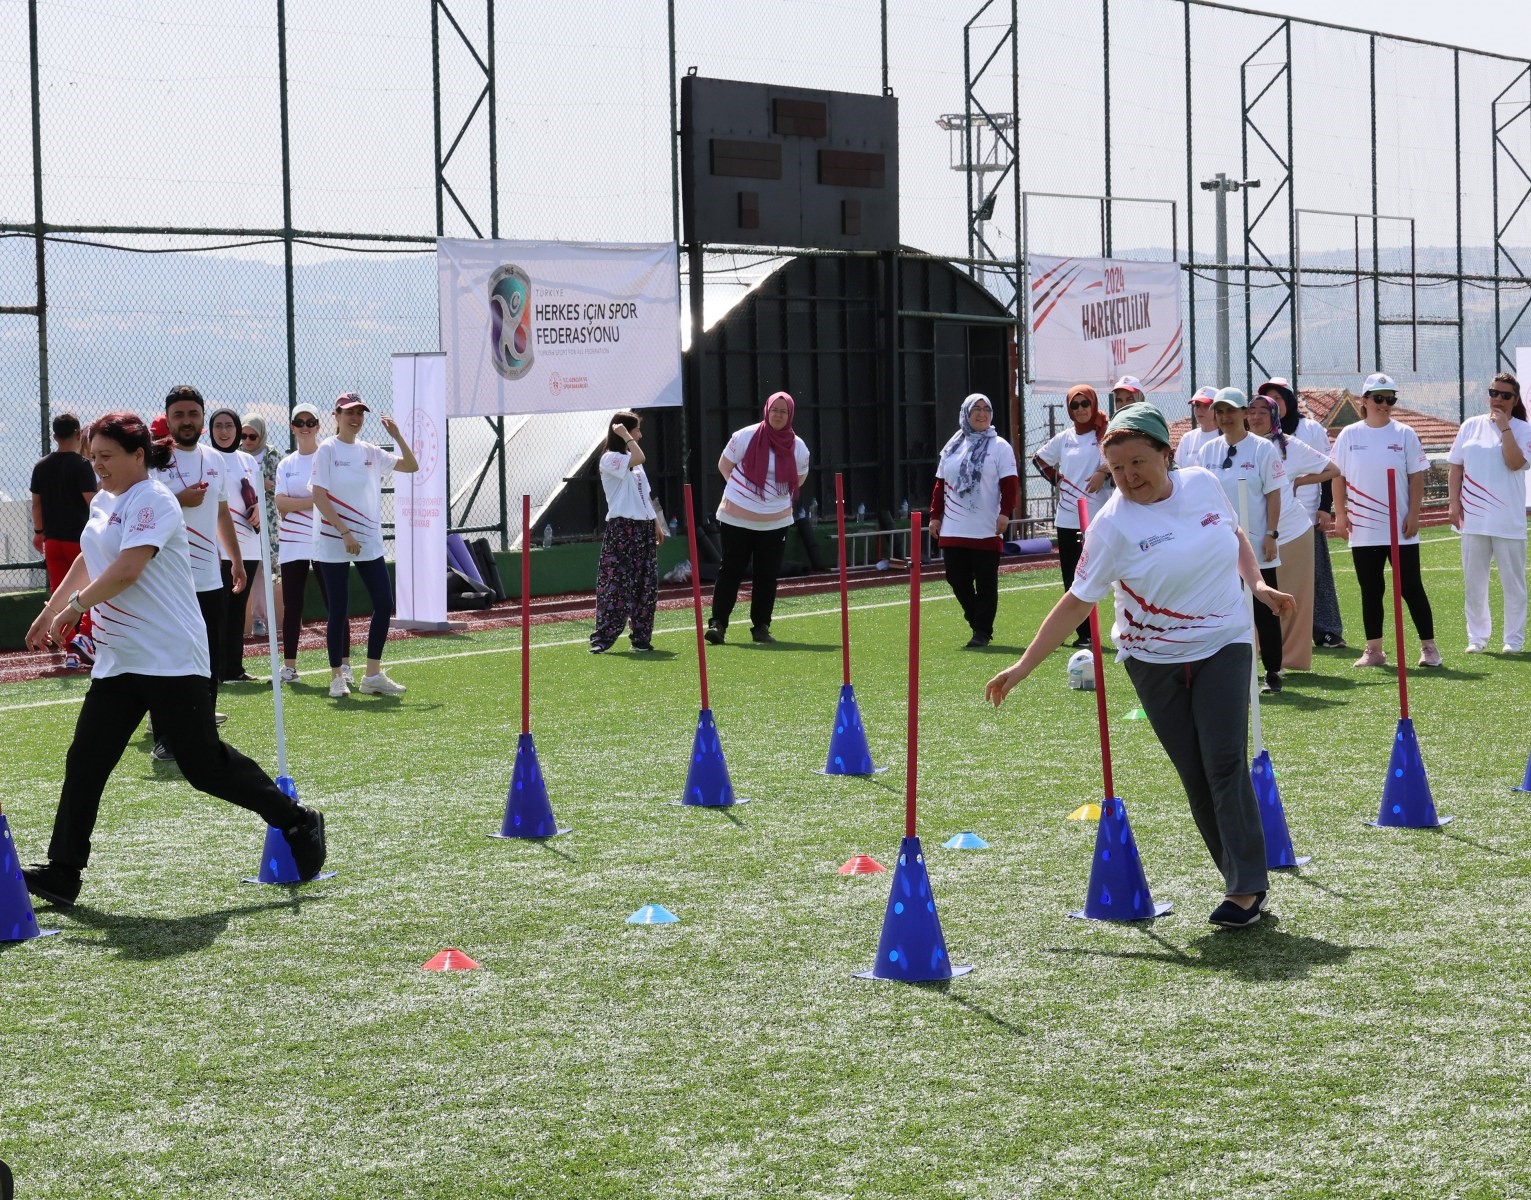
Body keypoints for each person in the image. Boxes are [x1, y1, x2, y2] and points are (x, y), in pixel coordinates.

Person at [986, 404, 1294, 929]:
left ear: (1166, 455)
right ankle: (1241, 878)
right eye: (1117, 468)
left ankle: (1245, 889)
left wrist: (1258, 585)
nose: (1129, 477)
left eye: (1138, 463)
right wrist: (1023, 666)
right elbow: (1076, 602)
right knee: (1196, 775)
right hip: (1152, 660)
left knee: (1224, 763)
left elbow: (1235, 534)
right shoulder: (1111, 527)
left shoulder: (1201, 484)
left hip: (1225, 642)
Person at [18, 411, 326, 909]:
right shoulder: (104, 500)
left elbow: (127, 570)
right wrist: (49, 609)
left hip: (170, 658)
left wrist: (74, 610)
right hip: (119, 661)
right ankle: (62, 872)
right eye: (92, 457)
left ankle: (295, 818)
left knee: (204, 766)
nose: (98, 466)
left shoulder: (155, 500)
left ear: (138, 456)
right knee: (86, 762)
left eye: (107, 457)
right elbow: (87, 558)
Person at [151, 385, 243, 758]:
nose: (186, 421)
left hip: (208, 577)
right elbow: (143, 511)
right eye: (179, 415)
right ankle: (164, 739)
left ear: (201, 418)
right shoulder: (154, 461)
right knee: (168, 657)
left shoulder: (214, 459)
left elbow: (221, 512)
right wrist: (178, 499)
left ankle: (202, 732)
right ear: (168, 419)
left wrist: (234, 559)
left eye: (192, 414)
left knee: (209, 657)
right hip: (166, 581)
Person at [310, 392, 419, 697]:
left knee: (384, 603)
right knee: (338, 609)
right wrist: (345, 532)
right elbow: (319, 497)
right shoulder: (327, 450)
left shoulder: (370, 451)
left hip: (368, 541)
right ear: (336, 416)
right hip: (335, 541)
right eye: (349, 412)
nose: (355, 417)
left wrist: (396, 435)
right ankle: (336, 677)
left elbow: (411, 466)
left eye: (360, 412)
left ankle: (372, 675)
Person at [1332, 372, 1441, 669]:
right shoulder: (1349, 435)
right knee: (1371, 589)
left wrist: (1414, 513)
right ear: (1364, 401)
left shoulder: (1404, 433)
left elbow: (1417, 476)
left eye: (1390, 399)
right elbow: (1337, 476)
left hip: (1400, 528)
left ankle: (1430, 648)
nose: (1385, 404)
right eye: (1378, 398)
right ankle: (1374, 650)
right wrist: (1340, 514)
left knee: (1410, 587)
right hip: (1363, 528)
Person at [1197, 388, 1287, 693]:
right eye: (1219, 412)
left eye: (1231, 411)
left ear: (1244, 413)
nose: (1224, 418)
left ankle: (1273, 671)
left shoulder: (1262, 449)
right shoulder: (1208, 450)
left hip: (1256, 543)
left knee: (1264, 607)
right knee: (1224, 608)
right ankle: (1231, 673)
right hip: (1218, 547)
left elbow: (1274, 494)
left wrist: (1271, 534)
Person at [705, 390, 810, 645]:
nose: (778, 415)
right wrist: (744, 494)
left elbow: (799, 479)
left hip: (775, 521)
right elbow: (724, 465)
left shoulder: (798, 446)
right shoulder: (746, 436)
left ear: (790, 415)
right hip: (736, 516)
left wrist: (772, 499)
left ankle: (761, 627)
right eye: (774, 410)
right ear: (767, 410)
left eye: (783, 412)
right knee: (730, 569)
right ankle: (718, 624)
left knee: (767, 574)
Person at [1247, 391, 1340, 672]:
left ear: (1274, 416)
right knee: (1251, 598)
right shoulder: (1241, 446)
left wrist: (1299, 481)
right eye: (1251, 411)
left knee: (1285, 598)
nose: (1256, 417)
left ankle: (1288, 660)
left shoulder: (1289, 446)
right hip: (1250, 535)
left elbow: (1332, 468)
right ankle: (1254, 656)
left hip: (1291, 533)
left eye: (1263, 412)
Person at [1448, 372, 1531, 653]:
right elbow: (1456, 466)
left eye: (1505, 395)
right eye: (1493, 393)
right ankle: (1477, 638)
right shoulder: (1470, 426)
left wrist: (1505, 428)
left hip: (1508, 521)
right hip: (1473, 519)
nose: (1497, 399)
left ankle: (1513, 640)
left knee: (1514, 585)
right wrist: (1454, 503)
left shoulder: (1523, 430)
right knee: (1474, 584)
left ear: (1515, 399)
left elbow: (1515, 462)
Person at [929, 393, 1019, 649]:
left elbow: (1010, 484)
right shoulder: (953, 445)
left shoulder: (1000, 446)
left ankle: (982, 631)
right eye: (975, 409)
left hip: (986, 526)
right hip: (954, 525)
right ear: (965, 414)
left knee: (986, 581)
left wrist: (1005, 513)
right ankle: (976, 619)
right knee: (956, 578)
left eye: (986, 409)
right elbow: (940, 484)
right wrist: (935, 516)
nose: (981, 414)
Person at [1032, 385, 1105, 648]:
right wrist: (1057, 479)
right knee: (1073, 578)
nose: (1081, 410)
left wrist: (1104, 472)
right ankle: (1083, 634)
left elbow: (1118, 457)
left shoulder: (1104, 432)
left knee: (1104, 574)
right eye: (1075, 405)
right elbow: (1039, 459)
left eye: (1085, 404)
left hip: (1098, 518)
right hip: (1068, 519)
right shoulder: (1064, 438)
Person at [591, 411, 668, 653]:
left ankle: (641, 638)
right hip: (622, 528)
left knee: (646, 584)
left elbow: (644, 494)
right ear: (624, 432)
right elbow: (640, 456)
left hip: (643, 527)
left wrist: (655, 522)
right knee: (615, 584)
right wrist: (624, 435)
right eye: (636, 430)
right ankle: (602, 639)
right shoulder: (611, 459)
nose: (640, 434)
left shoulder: (631, 461)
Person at [30, 412, 98, 669]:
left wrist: (39, 532)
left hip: (53, 540)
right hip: (79, 540)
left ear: (55, 435)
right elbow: (93, 503)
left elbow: (36, 504)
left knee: (60, 592)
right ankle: (85, 640)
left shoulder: (41, 465)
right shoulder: (82, 465)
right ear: (79, 433)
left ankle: (69, 649)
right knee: (89, 590)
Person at [273, 402, 329, 684]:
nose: (305, 427)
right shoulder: (287, 464)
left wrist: (298, 505)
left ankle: (341, 667)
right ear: (292, 427)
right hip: (292, 543)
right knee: (292, 606)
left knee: (335, 604)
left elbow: (330, 499)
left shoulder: (327, 458)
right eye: (300, 422)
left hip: (324, 541)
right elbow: (280, 502)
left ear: (318, 426)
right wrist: (313, 502)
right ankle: (289, 667)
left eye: (310, 422)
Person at [209, 407, 264, 684]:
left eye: (229, 425)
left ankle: (234, 669)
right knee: (219, 609)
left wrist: (257, 509)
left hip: (250, 545)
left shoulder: (247, 460)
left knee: (238, 608)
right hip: (220, 548)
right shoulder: (207, 458)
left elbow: (254, 495)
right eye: (218, 425)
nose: (224, 431)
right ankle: (215, 670)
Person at [242, 413, 282, 639]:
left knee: (266, 568)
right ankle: (249, 619)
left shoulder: (273, 455)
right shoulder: (236, 454)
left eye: (253, 436)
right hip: (242, 520)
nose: (247, 441)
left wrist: (266, 484)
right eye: (244, 435)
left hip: (267, 522)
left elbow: (282, 485)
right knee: (246, 567)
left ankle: (264, 618)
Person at [1174, 385, 1221, 468]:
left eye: (1206, 406)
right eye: (1197, 405)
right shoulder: (1187, 438)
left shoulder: (1227, 437)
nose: (1199, 410)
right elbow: (1178, 468)